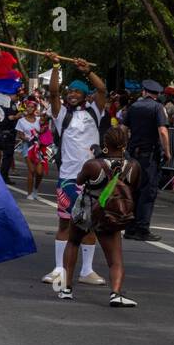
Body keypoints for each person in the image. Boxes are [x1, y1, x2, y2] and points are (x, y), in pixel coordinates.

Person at [53, 126, 141, 307]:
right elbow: (134, 188)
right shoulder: (134, 166)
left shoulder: (93, 165)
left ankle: (66, 288)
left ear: (105, 144)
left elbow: (79, 180)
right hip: (111, 214)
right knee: (115, 259)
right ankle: (116, 293)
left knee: (73, 242)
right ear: (125, 145)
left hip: (87, 210)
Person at [42, 55, 107, 286]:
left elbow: (102, 89)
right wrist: (56, 66)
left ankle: (87, 271)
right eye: (70, 91)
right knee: (65, 224)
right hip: (68, 178)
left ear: (85, 95)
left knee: (89, 225)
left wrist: (87, 70)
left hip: (93, 180)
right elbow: (53, 93)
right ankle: (59, 269)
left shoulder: (94, 112)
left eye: (77, 92)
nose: (72, 94)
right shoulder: (62, 115)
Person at [124, 78, 171, 241]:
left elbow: (124, 129)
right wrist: (167, 151)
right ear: (157, 94)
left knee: (132, 191)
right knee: (147, 192)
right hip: (149, 156)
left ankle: (129, 228)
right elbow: (163, 132)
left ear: (144, 92)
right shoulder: (158, 108)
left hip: (133, 155)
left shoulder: (134, 107)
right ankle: (142, 228)